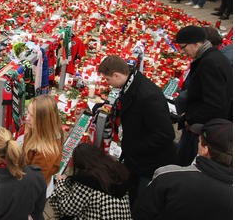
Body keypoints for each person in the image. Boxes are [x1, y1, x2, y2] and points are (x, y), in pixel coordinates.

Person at [97, 56, 176, 205]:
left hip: (149, 160)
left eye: (108, 79)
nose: (108, 83)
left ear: (117, 75)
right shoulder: (131, 83)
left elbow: (166, 134)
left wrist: (134, 147)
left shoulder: (147, 96)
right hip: (137, 154)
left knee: (141, 198)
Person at [133, 119, 232, 220]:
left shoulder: (168, 176)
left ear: (205, 150)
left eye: (199, 141)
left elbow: (141, 213)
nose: (197, 144)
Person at [173, 25, 233, 165]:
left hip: (202, 127)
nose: (182, 52)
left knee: (187, 161)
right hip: (203, 123)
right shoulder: (212, 56)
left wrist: (190, 119)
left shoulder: (209, 63)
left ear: (196, 43)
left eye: (183, 47)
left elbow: (213, 103)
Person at [49, 143, 132, 219]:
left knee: (58, 199)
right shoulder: (114, 168)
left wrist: (60, 183)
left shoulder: (88, 180)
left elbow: (67, 208)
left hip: (101, 215)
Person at [23, 94, 64, 184]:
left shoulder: (46, 153)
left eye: (32, 115)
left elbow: (32, 182)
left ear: (44, 121)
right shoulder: (34, 128)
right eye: (28, 112)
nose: (27, 118)